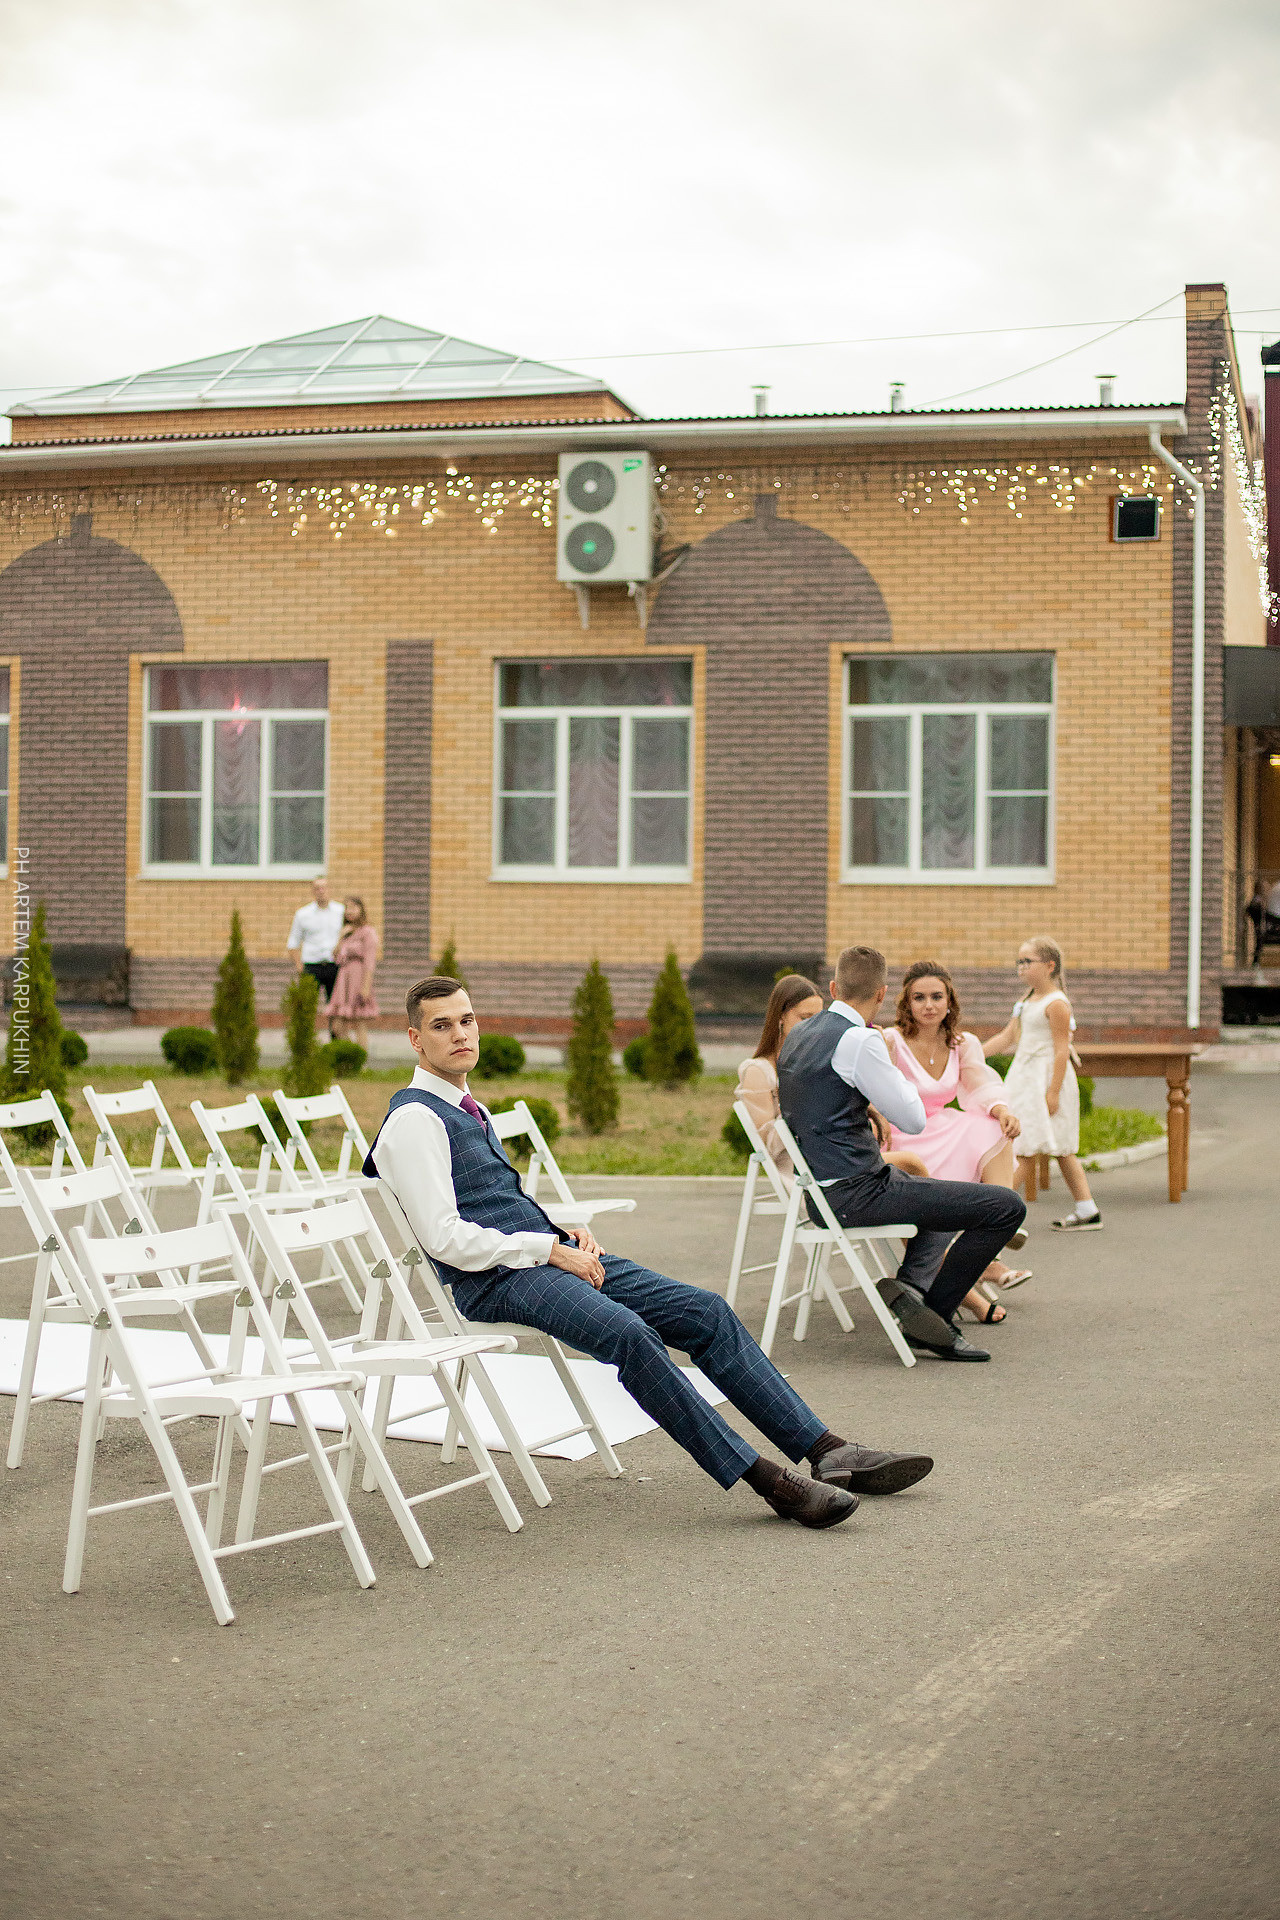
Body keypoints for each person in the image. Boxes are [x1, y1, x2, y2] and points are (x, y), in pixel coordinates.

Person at [363, 975, 936, 1531]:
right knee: (631, 1335)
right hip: (493, 1279)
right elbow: (443, 1237)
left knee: (705, 1312)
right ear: (415, 1039)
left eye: (466, 1020)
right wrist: (548, 1248)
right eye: (441, 1026)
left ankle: (828, 1449)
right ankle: (768, 1481)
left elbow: (492, 1202)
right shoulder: (414, 1120)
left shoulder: (467, 1105)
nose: (460, 1034)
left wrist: (558, 1232)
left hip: (541, 1255)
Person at [776, 945, 1026, 1364]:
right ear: (881, 993)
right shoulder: (862, 1040)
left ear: (834, 988)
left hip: (821, 1192)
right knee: (1006, 1207)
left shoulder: (799, 1035)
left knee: (940, 1200)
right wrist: (887, 1073)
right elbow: (912, 1119)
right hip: (858, 1191)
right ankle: (935, 1318)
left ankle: (910, 1291)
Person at [885, 961, 1031, 1322]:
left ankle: (999, 1211)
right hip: (902, 1134)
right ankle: (982, 1266)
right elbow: (875, 1093)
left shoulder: (961, 1043)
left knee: (991, 1127)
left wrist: (1002, 1111)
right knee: (924, 1210)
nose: (929, 1005)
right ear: (906, 1003)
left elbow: (980, 1084)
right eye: (919, 998)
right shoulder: (891, 1041)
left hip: (940, 1126)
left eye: (937, 997)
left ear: (949, 1001)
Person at [735, 973, 930, 1184]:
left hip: (834, 1158)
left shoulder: (819, 1060)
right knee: (911, 1163)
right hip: (803, 1170)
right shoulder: (758, 1070)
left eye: (817, 1019)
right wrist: (803, 1108)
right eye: (805, 1018)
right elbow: (766, 1144)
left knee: (909, 1164)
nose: (812, 1026)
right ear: (780, 1017)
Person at [983, 936, 1101, 1232]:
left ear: (1049, 966)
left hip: (1045, 1080)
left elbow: (1061, 1050)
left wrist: (1053, 1092)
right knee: (1043, 1146)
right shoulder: (1025, 1001)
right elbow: (1008, 1037)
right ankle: (1087, 1209)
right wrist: (972, 1055)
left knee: (1029, 1146)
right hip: (1024, 1078)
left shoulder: (1056, 1003)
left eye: (1028, 961)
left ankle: (996, 1214)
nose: (1021, 967)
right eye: (1019, 961)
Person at [286, 877, 345, 1026]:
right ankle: (306, 1037)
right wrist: (300, 966)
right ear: (313, 891)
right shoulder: (303, 914)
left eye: (324, 887)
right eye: (317, 888)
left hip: (335, 966)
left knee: (336, 1009)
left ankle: (336, 1038)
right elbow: (293, 943)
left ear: (330, 889)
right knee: (307, 1006)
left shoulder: (341, 912)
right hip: (311, 966)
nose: (321, 891)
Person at [329, 897, 380, 1050]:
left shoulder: (368, 932)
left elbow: (369, 962)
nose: (349, 911)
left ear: (361, 910)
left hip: (358, 978)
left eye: (353, 907)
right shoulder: (346, 932)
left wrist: (365, 987)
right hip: (343, 979)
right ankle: (350, 1056)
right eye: (347, 908)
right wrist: (341, 937)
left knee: (359, 1023)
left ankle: (361, 1059)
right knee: (338, 1026)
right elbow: (336, 957)